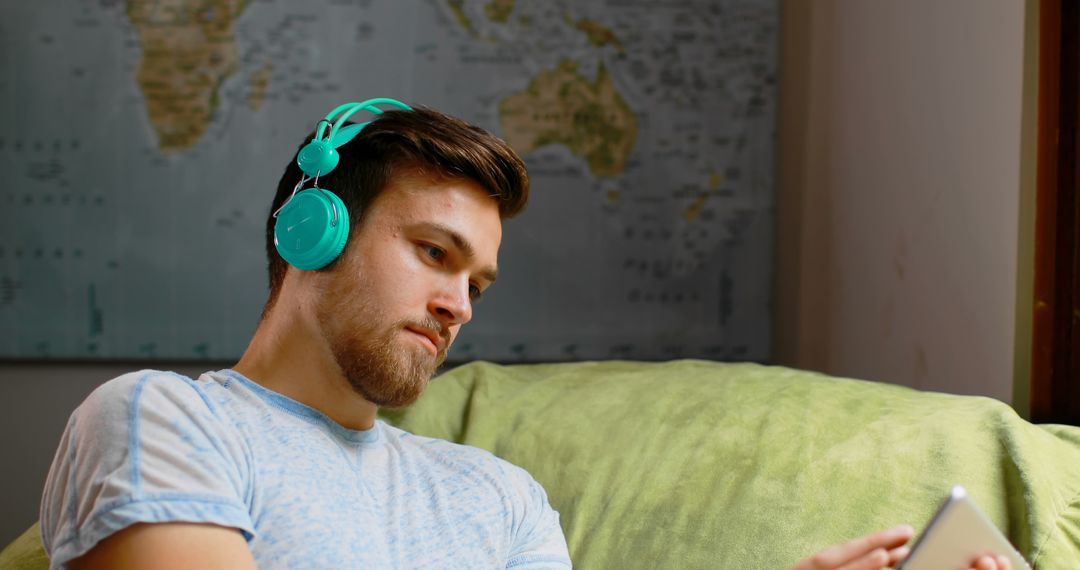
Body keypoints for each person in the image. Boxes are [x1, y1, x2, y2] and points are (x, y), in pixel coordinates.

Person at [38, 101, 1012, 570]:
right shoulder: (160, 421)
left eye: (479, 280)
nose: (461, 303)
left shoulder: (497, 499)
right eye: (433, 252)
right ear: (311, 231)